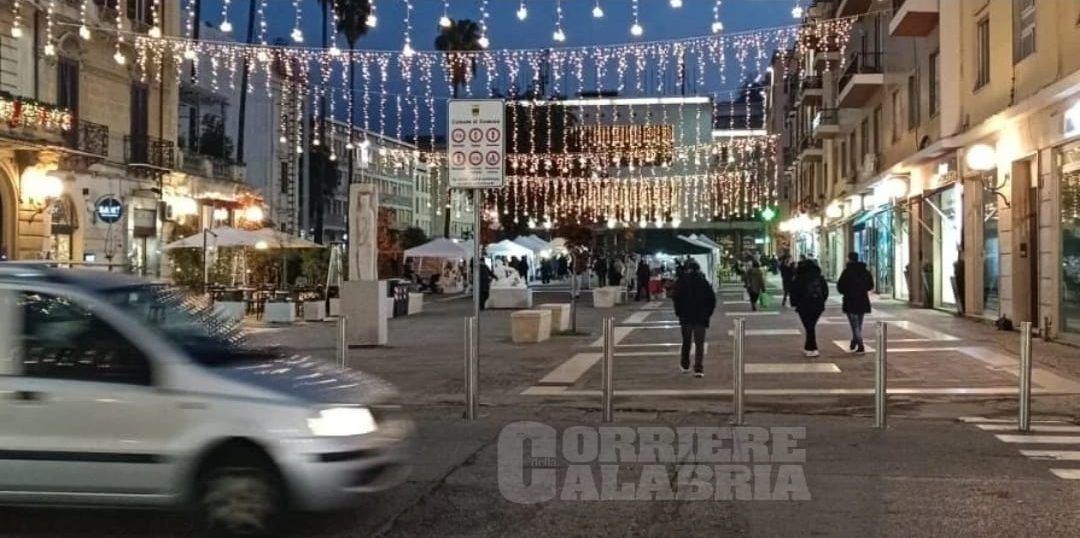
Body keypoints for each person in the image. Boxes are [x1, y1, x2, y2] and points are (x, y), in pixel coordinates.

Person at [672, 261, 716, 377]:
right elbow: (712, 299)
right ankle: (698, 368)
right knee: (699, 344)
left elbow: (676, 298)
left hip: (686, 317)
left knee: (686, 342)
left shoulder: (681, 282)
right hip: (701, 318)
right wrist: (708, 313)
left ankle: (685, 364)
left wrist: (679, 312)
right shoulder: (704, 282)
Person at [837, 252, 874, 353]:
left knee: (855, 324)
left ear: (849, 259)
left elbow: (840, 287)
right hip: (862, 300)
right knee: (858, 324)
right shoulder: (865, 271)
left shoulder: (846, 272)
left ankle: (860, 343)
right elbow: (870, 285)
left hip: (850, 300)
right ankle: (855, 340)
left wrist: (847, 291)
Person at [790, 258, 828, 358]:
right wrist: (821, 301)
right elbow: (825, 291)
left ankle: (813, 348)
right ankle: (809, 348)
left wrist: (795, 304)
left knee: (809, 327)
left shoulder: (799, 278)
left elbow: (794, 292)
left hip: (803, 306)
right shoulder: (820, 278)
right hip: (817, 306)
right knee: (810, 326)